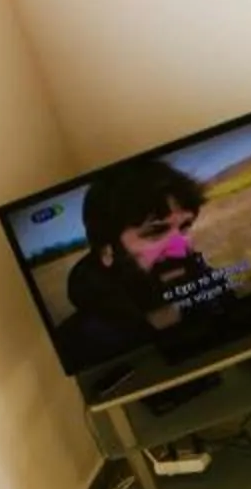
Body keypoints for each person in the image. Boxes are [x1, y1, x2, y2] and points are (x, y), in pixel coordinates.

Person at [56, 156, 226, 369]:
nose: (180, 248)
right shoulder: (79, 344)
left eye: (184, 227)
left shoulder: (213, 285)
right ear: (107, 252)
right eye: (155, 232)